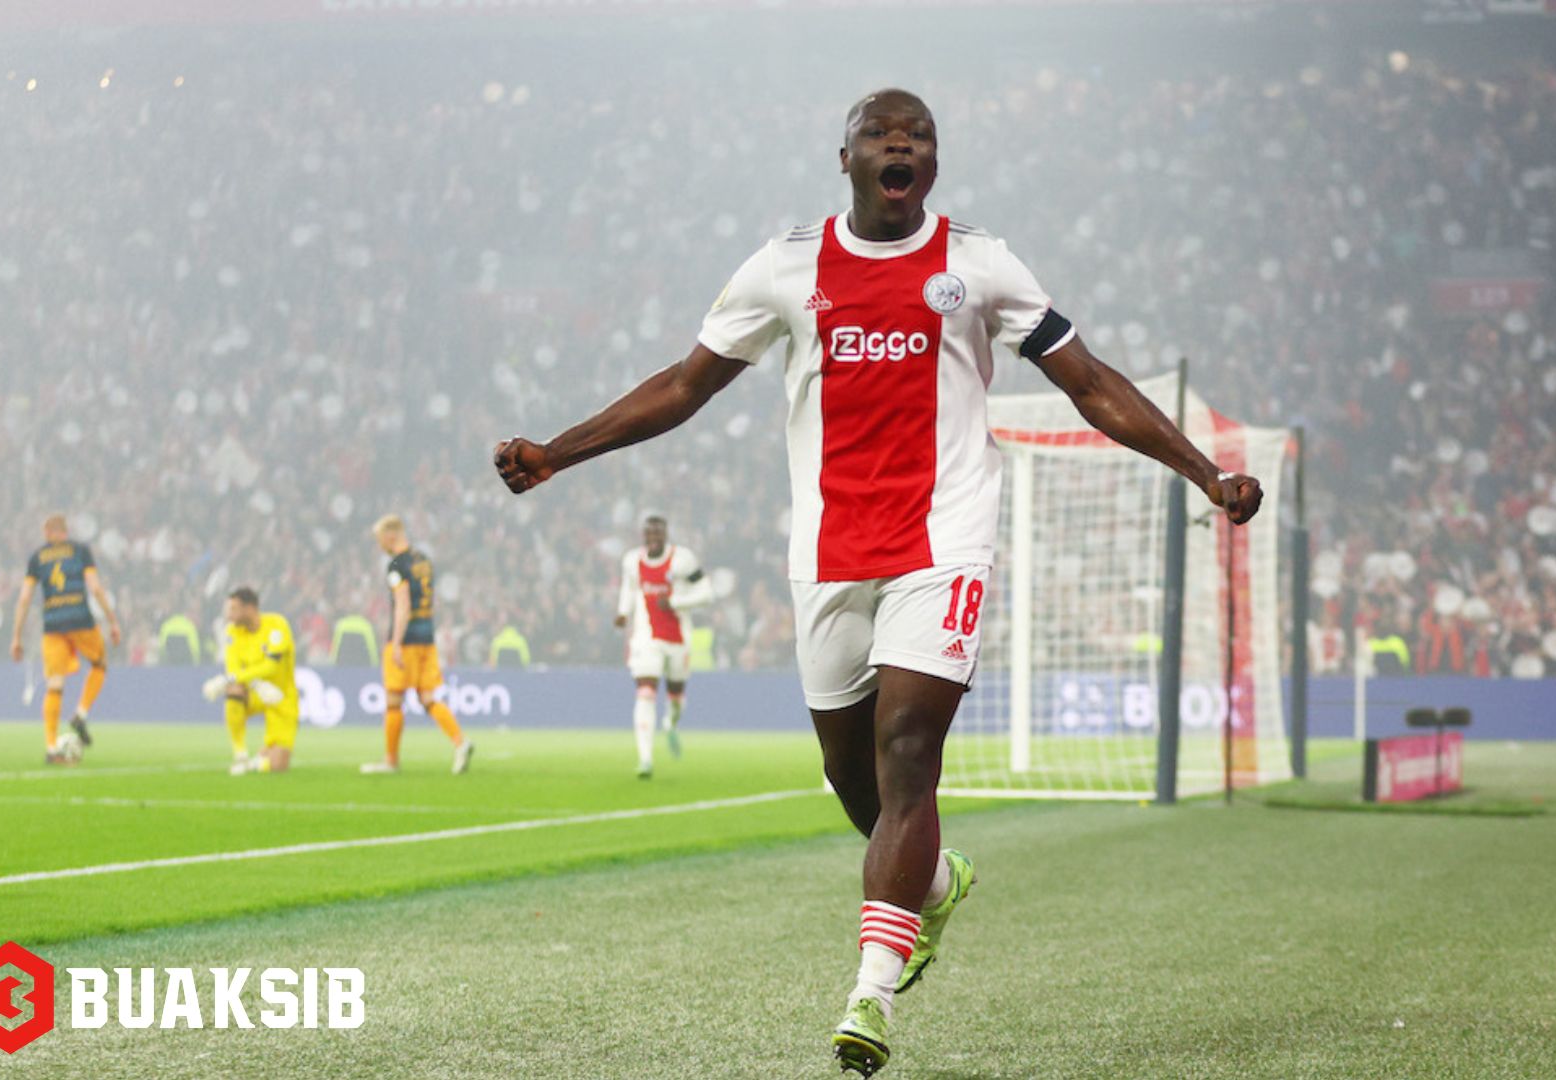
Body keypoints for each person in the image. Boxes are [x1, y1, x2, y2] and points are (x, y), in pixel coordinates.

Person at [492, 88, 1262, 1075]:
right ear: (846, 157)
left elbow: (1090, 382)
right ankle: (934, 884)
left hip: (944, 543)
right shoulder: (785, 267)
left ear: (933, 163)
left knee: (907, 750)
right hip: (828, 553)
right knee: (850, 775)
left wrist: (1204, 472)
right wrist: (557, 453)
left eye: (920, 135)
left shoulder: (980, 264)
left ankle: (871, 996)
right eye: (880, 134)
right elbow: (684, 386)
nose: (902, 145)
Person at [362, 515, 475, 775]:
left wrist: (397, 643)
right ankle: (460, 742)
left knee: (393, 700)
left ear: (391, 535)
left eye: (380, 539)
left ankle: (390, 761)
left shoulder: (396, 565)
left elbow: (402, 604)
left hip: (407, 640)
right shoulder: (423, 560)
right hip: (427, 638)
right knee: (427, 698)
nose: (380, 545)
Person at [10, 514, 121, 765]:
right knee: (99, 664)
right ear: (65, 530)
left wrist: (16, 637)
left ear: (49, 531)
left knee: (55, 685)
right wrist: (112, 620)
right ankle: (81, 713)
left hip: (53, 625)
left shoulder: (37, 558)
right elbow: (95, 588)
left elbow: (25, 598)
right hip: (80, 620)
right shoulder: (80, 551)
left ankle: (51, 748)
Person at [616, 515, 713, 777]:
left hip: (678, 637)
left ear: (665, 534)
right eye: (649, 533)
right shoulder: (632, 561)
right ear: (643, 535)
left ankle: (670, 723)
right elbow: (629, 588)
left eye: (657, 533)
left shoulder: (683, 560)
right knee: (646, 691)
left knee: (676, 696)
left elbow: (707, 593)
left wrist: (675, 603)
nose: (653, 538)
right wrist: (623, 612)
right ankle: (645, 759)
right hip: (646, 637)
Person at [204, 587, 299, 775]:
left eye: (234, 609)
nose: (229, 615)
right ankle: (240, 754)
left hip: (281, 697)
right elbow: (234, 670)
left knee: (278, 765)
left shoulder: (276, 625)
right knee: (234, 690)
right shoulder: (232, 632)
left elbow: (271, 666)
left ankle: (255, 763)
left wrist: (226, 679)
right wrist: (256, 684)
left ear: (249, 608)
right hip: (255, 692)